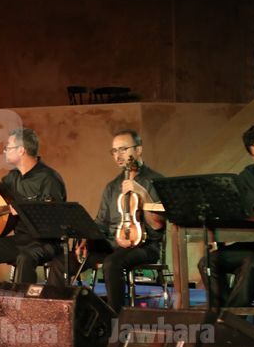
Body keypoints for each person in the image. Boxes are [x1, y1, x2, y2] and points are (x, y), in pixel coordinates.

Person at [46, 129, 166, 313]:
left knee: (112, 263)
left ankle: (113, 318)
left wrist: (143, 194)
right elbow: (101, 223)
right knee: (61, 262)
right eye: (114, 151)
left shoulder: (155, 181)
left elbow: (158, 224)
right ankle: (52, 313)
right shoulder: (112, 186)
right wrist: (87, 238)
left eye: (123, 149)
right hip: (112, 244)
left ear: (139, 149)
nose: (118, 155)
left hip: (144, 245)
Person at [0, 127, 66, 297]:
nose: (5, 151)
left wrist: (23, 208)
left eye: (8, 147)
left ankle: (21, 306)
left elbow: (53, 215)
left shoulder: (49, 178)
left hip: (45, 242)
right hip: (21, 240)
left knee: (25, 257)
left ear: (21, 150)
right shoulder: (13, 177)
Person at [198, 124, 254, 311]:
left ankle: (229, 319)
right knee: (207, 262)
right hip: (250, 244)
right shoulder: (247, 176)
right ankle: (225, 315)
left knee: (251, 263)